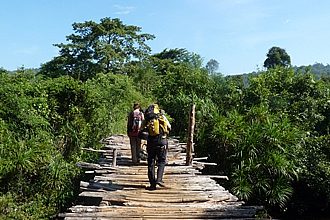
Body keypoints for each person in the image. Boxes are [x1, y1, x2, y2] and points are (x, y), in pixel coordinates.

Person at [141, 104, 171, 190]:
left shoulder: (147, 118)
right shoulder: (161, 117)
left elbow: (141, 128)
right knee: (161, 161)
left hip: (151, 142)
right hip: (162, 140)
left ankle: (152, 184)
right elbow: (169, 127)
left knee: (151, 162)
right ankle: (159, 179)